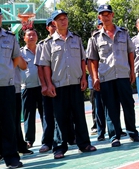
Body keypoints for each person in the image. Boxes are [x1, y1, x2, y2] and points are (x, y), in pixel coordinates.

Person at [39, 10, 96, 159]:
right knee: (60, 118)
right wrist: (49, 84)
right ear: (54, 23)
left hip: (76, 83)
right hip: (58, 85)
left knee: (79, 116)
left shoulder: (76, 39)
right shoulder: (49, 43)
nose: (63, 21)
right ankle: (59, 147)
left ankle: (84, 144)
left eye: (65, 18)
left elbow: (83, 60)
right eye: (59, 19)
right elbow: (45, 65)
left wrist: (84, 78)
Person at [88, 4, 139, 147]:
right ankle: (114, 136)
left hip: (123, 74)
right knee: (111, 108)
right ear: (99, 17)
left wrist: (132, 71)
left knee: (128, 105)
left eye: (108, 14)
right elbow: (92, 60)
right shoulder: (95, 37)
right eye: (103, 15)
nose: (106, 17)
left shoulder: (123, 33)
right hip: (106, 76)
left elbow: (131, 52)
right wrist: (95, 78)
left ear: (112, 15)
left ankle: (132, 132)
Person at [0, 12, 24, 169]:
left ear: (1, 17)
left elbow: (16, 57)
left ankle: (11, 158)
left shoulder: (9, 37)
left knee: (8, 123)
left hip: (6, 85)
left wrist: (8, 71)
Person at [34, 18, 57, 153]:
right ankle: (47, 142)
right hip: (49, 85)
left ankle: (70, 138)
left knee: (68, 113)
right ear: (47, 28)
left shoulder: (68, 39)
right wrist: (44, 85)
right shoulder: (42, 44)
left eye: (55, 24)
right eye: (51, 25)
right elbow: (40, 67)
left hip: (63, 83)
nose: (53, 27)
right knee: (48, 115)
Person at [20, 28, 44, 148]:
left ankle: (48, 139)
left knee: (45, 114)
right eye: (28, 35)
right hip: (27, 88)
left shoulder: (42, 50)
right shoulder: (20, 53)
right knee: (29, 115)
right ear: (24, 38)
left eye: (33, 34)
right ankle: (29, 140)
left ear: (37, 37)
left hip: (42, 86)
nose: (31, 37)